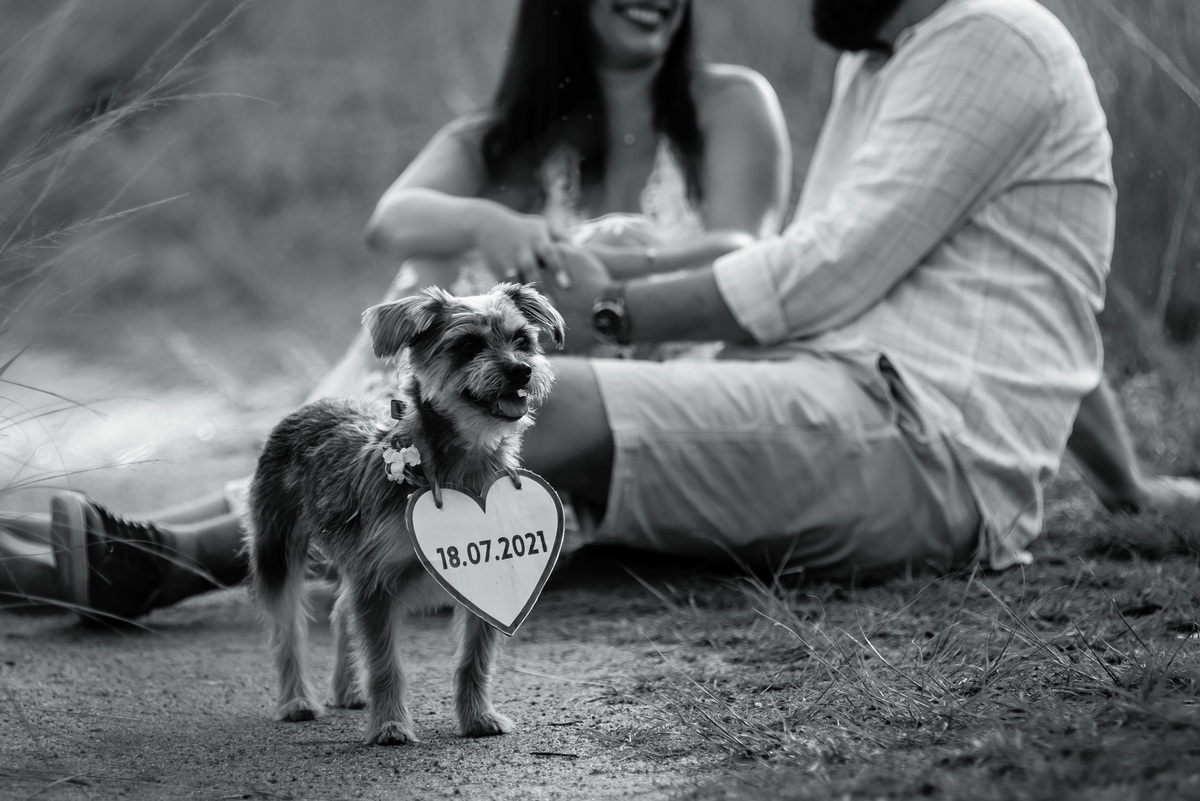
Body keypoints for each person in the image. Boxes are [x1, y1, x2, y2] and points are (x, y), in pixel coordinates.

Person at [2, 0, 1197, 617]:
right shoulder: (888, 58)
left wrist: (617, 304)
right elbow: (1047, 304)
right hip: (855, 411)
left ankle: (177, 558)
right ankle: (123, 554)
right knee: (485, 487)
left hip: (911, 443)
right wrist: (1127, 486)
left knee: (533, 405)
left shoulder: (987, 38)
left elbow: (820, 275)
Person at [0, 0, 791, 618]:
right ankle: (68, 556)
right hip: (496, 402)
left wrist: (611, 265)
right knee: (434, 273)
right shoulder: (519, 134)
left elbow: (742, 244)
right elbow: (394, 214)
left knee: (479, 355)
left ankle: (168, 553)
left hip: (656, 368)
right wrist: (494, 221)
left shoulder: (728, 102)